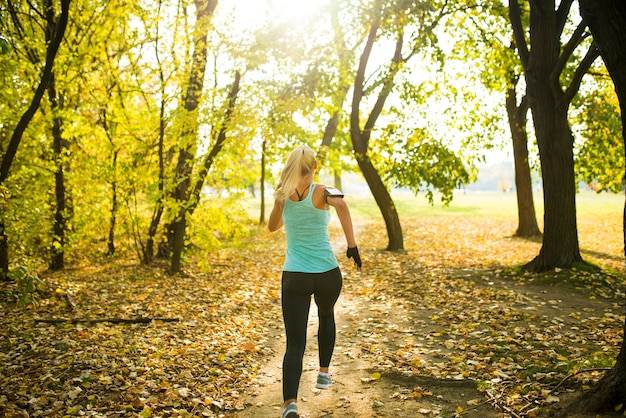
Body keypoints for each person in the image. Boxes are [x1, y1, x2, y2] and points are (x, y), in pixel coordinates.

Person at [268, 145, 362, 418]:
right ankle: (323, 374)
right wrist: (352, 246)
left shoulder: (283, 193)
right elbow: (342, 204)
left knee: (294, 344)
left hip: (295, 276)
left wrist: (279, 201)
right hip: (327, 275)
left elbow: (273, 227)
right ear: (315, 166)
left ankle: (290, 404)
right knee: (326, 315)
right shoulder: (324, 190)